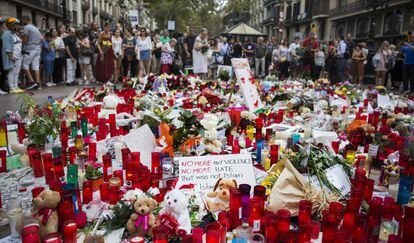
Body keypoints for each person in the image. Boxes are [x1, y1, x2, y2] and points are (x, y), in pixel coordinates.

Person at [2, 17, 24, 93]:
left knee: (17, 71)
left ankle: (16, 86)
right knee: (11, 71)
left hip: (18, 55)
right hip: (12, 55)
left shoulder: (14, 34)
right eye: (15, 25)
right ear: (10, 25)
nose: (17, 26)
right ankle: (11, 87)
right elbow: (7, 47)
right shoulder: (6, 34)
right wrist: (11, 56)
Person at [21, 15, 42, 90]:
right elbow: (41, 39)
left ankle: (32, 82)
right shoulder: (36, 28)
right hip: (37, 48)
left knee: (24, 65)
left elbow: (25, 39)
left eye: (22, 20)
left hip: (30, 48)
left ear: (26, 19)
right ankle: (38, 83)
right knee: (36, 66)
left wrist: (23, 44)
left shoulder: (26, 27)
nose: (21, 21)